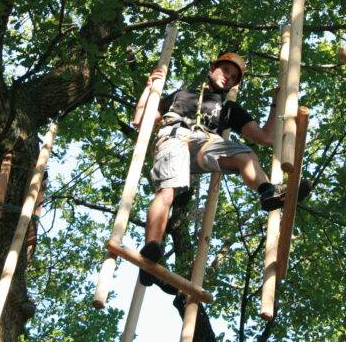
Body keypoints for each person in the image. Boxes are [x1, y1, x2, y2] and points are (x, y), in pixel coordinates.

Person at [131, 53, 310, 287]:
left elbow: (265, 137)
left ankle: (267, 191)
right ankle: (152, 249)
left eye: (234, 77)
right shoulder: (180, 95)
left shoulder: (228, 108)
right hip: (174, 136)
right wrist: (149, 89)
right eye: (225, 70)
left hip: (206, 142)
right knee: (168, 191)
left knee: (244, 154)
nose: (228, 78)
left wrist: (276, 103)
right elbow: (140, 120)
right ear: (212, 68)